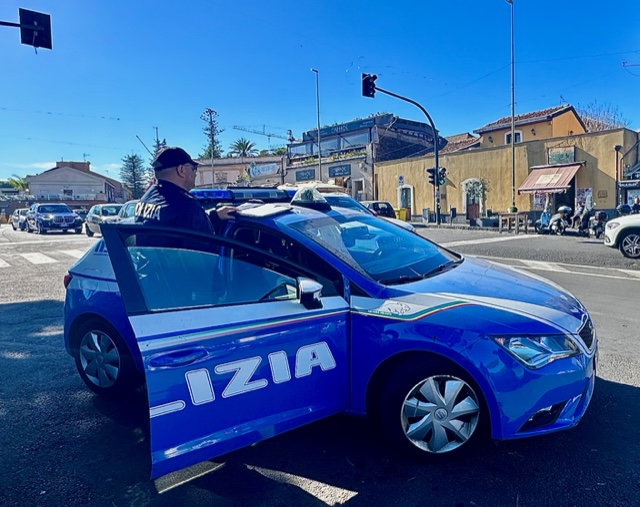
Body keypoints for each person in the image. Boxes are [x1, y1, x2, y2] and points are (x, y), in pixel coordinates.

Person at [134, 146, 234, 233]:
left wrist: (214, 215)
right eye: (193, 168)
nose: (195, 174)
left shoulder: (146, 199)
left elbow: (175, 223)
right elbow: (204, 252)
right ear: (181, 170)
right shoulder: (187, 206)